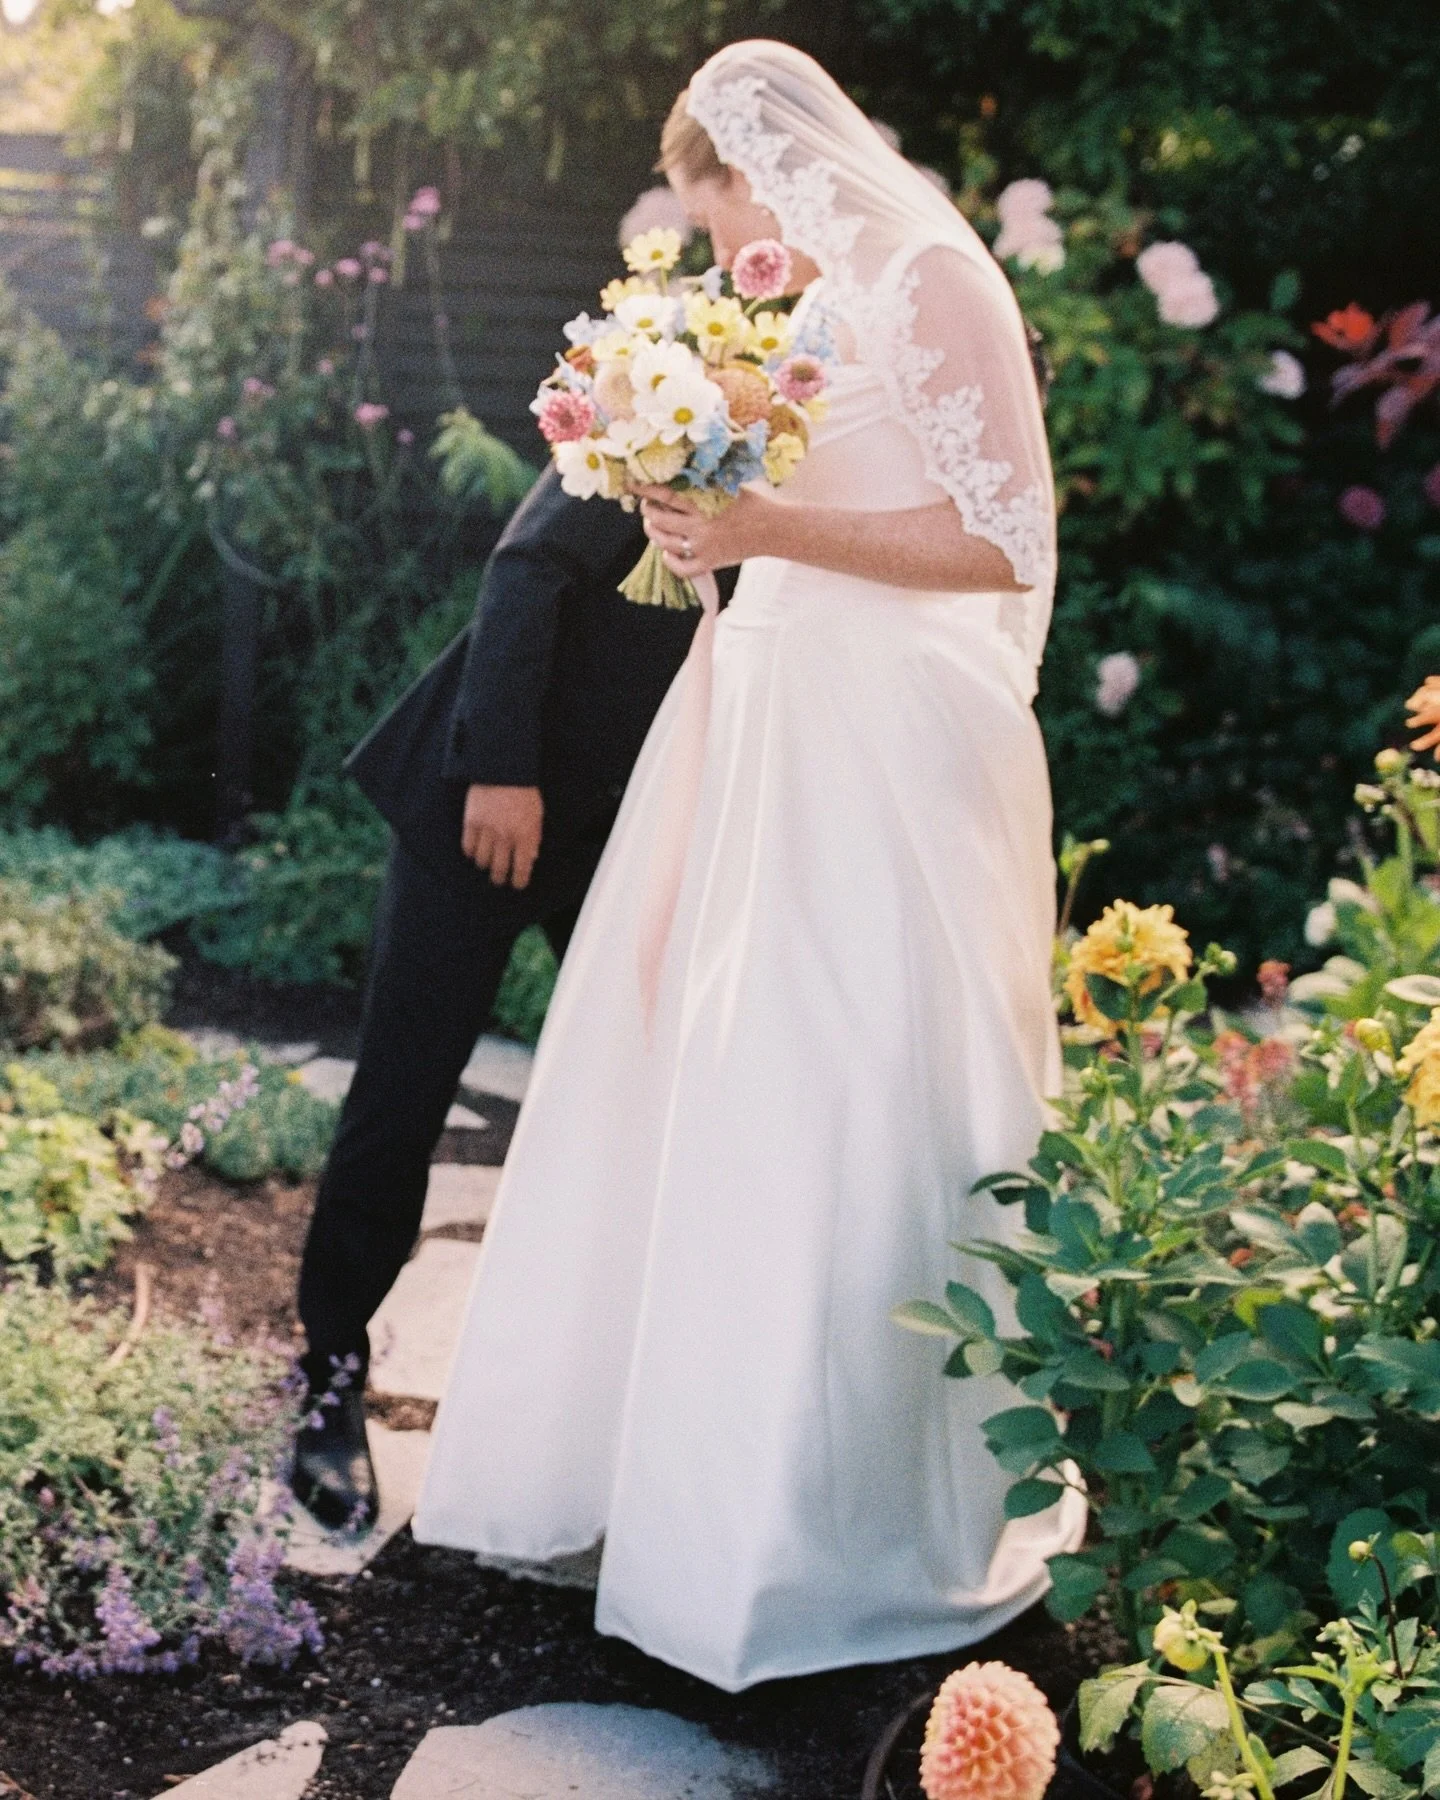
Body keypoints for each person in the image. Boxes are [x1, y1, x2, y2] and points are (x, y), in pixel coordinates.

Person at [413, 40, 1086, 1689]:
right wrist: (700, 516)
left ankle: (834, 1525)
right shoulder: (826, 299)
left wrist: (767, 529)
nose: (719, 256)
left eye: (714, 216)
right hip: (774, 713)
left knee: (856, 1089)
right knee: (733, 1089)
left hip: (887, 748)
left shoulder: (933, 275)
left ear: (756, 166)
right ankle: (696, 1501)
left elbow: (1002, 537)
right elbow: (822, 493)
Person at [291, 467, 700, 1527]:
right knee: (402, 1093)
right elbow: (528, 563)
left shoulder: (834, 438)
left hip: (632, 833)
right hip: (489, 797)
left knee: (661, 1094)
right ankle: (330, 1380)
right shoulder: (684, 370)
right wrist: (503, 769)